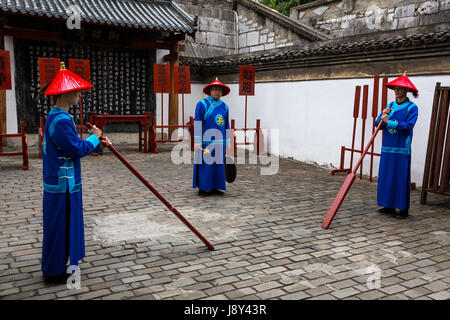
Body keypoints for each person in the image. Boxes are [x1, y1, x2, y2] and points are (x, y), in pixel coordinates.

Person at [41, 62, 111, 284]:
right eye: (78, 91)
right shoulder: (60, 120)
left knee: (61, 225)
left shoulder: (57, 117)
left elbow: (71, 144)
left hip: (62, 182)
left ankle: (57, 266)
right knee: (59, 226)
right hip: (63, 184)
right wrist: (93, 137)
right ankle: (53, 271)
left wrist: (95, 140)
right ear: (67, 93)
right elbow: (75, 149)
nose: (80, 94)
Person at [375, 72, 419, 219]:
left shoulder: (412, 108)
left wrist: (390, 122)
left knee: (400, 177)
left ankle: (402, 208)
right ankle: (388, 205)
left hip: (401, 148)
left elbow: (408, 126)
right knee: (386, 176)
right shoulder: (390, 106)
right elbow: (378, 124)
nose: (397, 91)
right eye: (395, 88)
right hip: (387, 146)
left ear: (406, 90)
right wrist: (382, 114)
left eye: (400, 88)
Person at [193, 78, 231, 195]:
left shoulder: (225, 107)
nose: (217, 92)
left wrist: (228, 141)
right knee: (206, 165)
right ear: (210, 91)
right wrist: (198, 140)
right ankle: (204, 188)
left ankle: (216, 187)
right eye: (215, 89)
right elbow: (198, 122)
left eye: (219, 90)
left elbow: (227, 125)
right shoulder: (202, 104)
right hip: (206, 141)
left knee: (218, 165)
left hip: (220, 141)